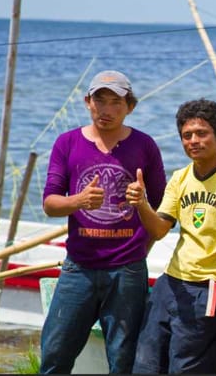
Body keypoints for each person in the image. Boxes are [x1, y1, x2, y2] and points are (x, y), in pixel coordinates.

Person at [40, 70, 166, 374]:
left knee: (122, 362)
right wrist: (79, 201)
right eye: (100, 101)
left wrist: (142, 208)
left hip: (127, 271)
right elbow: (50, 204)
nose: (106, 110)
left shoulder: (144, 145)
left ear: (130, 107)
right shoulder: (67, 143)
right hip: (78, 268)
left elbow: (163, 212)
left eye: (115, 103)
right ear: (87, 102)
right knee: (54, 356)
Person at [129, 99, 216, 374]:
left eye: (201, 133)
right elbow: (159, 230)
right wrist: (141, 204)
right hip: (169, 284)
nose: (193, 141)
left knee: (186, 369)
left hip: (209, 289)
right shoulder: (180, 177)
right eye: (187, 135)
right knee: (145, 366)